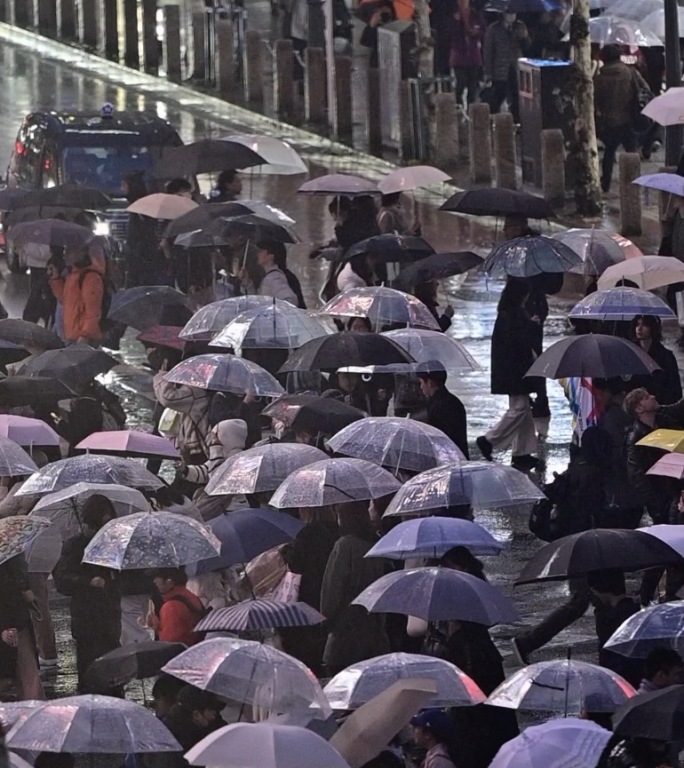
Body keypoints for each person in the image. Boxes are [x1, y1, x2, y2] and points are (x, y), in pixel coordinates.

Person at [52, 495, 121, 693]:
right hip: (86, 615)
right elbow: (62, 580)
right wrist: (88, 581)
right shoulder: (76, 545)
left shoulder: (113, 543)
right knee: (88, 663)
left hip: (109, 613)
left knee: (112, 661)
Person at [477, 279, 541, 471]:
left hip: (511, 372)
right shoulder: (513, 315)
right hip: (515, 372)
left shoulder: (508, 314)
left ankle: (522, 453)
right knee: (520, 408)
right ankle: (489, 440)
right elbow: (519, 342)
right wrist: (533, 325)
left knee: (524, 410)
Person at [320, 501, 389, 674]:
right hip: (375, 636)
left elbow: (331, 591)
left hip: (345, 636)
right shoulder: (378, 545)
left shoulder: (344, 546)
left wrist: (324, 619)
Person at [280, 507, 339, 674]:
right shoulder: (338, 532)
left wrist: (285, 553)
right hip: (328, 593)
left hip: (309, 593)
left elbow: (296, 563)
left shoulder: (307, 534)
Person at [594, 45, 651, 193]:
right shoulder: (630, 73)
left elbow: (595, 100)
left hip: (609, 121)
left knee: (609, 152)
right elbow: (646, 90)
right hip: (628, 119)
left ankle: (605, 183)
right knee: (631, 151)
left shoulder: (599, 79)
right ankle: (634, 181)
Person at [623, 388, 684, 525]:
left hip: (676, 491)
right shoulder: (636, 438)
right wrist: (657, 504)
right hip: (662, 500)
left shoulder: (664, 421)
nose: (653, 396)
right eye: (646, 397)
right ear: (639, 409)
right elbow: (637, 475)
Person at [48, 244, 105, 345]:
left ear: (82, 253)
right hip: (72, 336)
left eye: (69, 252)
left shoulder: (90, 278)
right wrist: (56, 279)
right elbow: (65, 300)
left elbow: (93, 312)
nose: (65, 255)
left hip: (82, 338)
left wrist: (85, 336)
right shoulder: (73, 276)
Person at [415, 361, 470, 459]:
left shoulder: (438, 406)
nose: (421, 387)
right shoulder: (453, 401)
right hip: (459, 457)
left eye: (421, 382)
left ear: (430, 383)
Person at [482, 12, 530, 123]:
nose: (512, 16)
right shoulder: (494, 29)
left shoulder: (520, 26)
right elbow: (488, 51)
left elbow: (527, 47)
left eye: (514, 13)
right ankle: (492, 120)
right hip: (499, 69)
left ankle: (517, 122)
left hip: (516, 68)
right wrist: (488, 72)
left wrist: (525, 37)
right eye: (509, 13)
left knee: (516, 97)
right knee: (497, 96)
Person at [630, 315, 682, 405]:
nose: (639, 328)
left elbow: (674, 388)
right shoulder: (631, 353)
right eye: (637, 325)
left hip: (660, 404)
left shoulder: (665, 355)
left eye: (644, 325)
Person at [148, 568, 206, 646]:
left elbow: (169, 643)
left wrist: (157, 629)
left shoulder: (171, 607)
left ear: (169, 581)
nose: (154, 581)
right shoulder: (189, 595)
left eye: (157, 577)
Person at [449, 0, 486, 107]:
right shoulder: (454, 16)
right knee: (461, 82)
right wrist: (457, 22)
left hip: (474, 57)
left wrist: (476, 32)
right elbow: (449, 33)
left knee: (473, 86)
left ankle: (471, 109)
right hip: (459, 57)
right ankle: (458, 105)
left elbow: (483, 30)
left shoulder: (475, 15)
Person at [239, 240, 298, 305]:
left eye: (261, 251)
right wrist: (246, 281)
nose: (258, 254)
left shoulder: (274, 277)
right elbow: (257, 302)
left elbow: (290, 299)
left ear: (271, 256)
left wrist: (275, 311)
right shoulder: (269, 277)